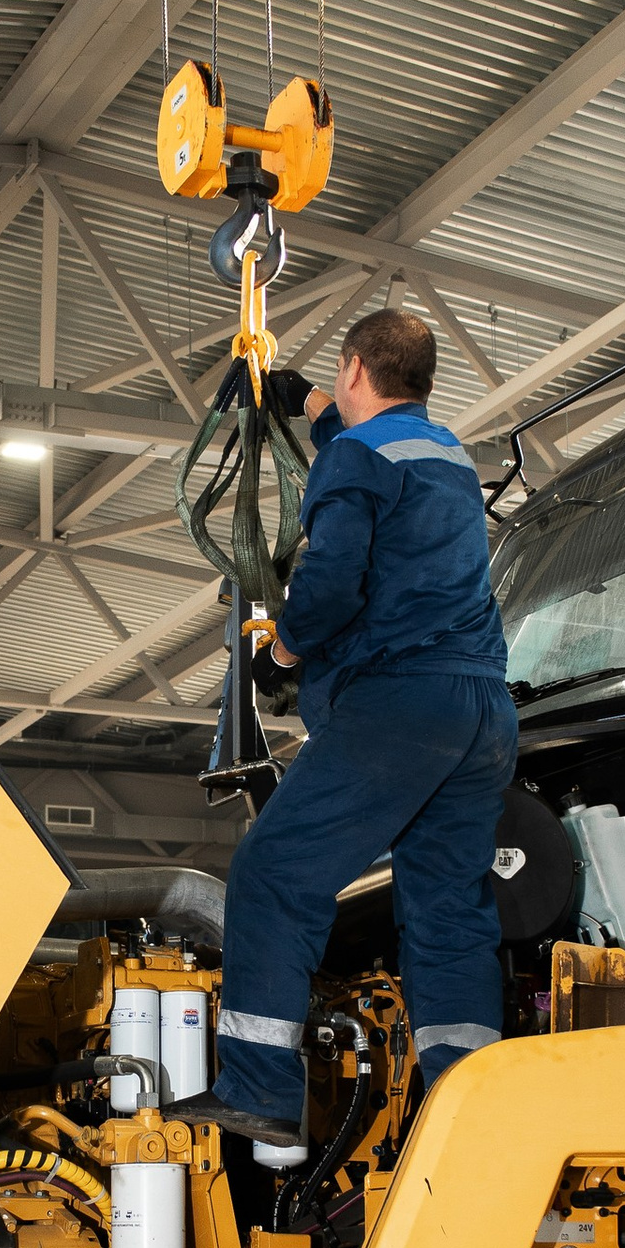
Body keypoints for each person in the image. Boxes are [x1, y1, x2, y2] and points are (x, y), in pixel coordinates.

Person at [212, 308, 517, 1151]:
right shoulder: (446, 453)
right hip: (482, 710)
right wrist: (294, 393)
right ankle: (468, 1112)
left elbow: (334, 579)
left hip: (399, 705)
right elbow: (364, 436)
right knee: (449, 910)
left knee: (274, 874)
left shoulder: (352, 457)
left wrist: (283, 647)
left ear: (355, 370)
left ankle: (261, 1094)